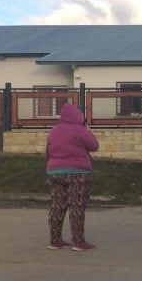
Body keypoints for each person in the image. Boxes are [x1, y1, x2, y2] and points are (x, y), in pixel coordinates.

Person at [46, 102, 100, 251]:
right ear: (78, 116)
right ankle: (78, 242)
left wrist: (50, 169)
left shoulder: (54, 131)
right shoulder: (79, 130)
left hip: (55, 172)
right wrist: (88, 131)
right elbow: (94, 146)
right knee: (76, 206)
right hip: (77, 173)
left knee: (57, 206)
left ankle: (55, 241)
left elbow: (48, 151)